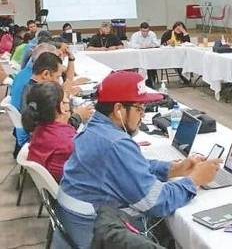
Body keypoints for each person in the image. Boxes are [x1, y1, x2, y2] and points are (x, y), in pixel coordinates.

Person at [54, 71, 221, 248]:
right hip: (95, 234)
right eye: (139, 108)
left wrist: (173, 169)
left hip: (77, 225)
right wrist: (195, 180)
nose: (142, 115)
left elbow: (128, 166)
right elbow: (157, 202)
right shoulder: (116, 143)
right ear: (119, 110)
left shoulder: (94, 127)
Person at [22, 82, 79, 181]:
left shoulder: (39, 128)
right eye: (67, 100)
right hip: (67, 187)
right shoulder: (67, 141)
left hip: (50, 183)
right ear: (62, 107)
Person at [129, 22, 159, 88]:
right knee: (140, 68)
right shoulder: (135, 35)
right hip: (138, 57)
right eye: (143, 31)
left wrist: (151, 45)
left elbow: (157, 43)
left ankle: (151, 84)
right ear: (140, 29)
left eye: (147, 31)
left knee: (152, 67)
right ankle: (141, 84)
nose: (145, 33)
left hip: (150, 57)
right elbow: (132, 45)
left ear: (149, 30)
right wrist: (141, 46)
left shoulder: (152, 34)